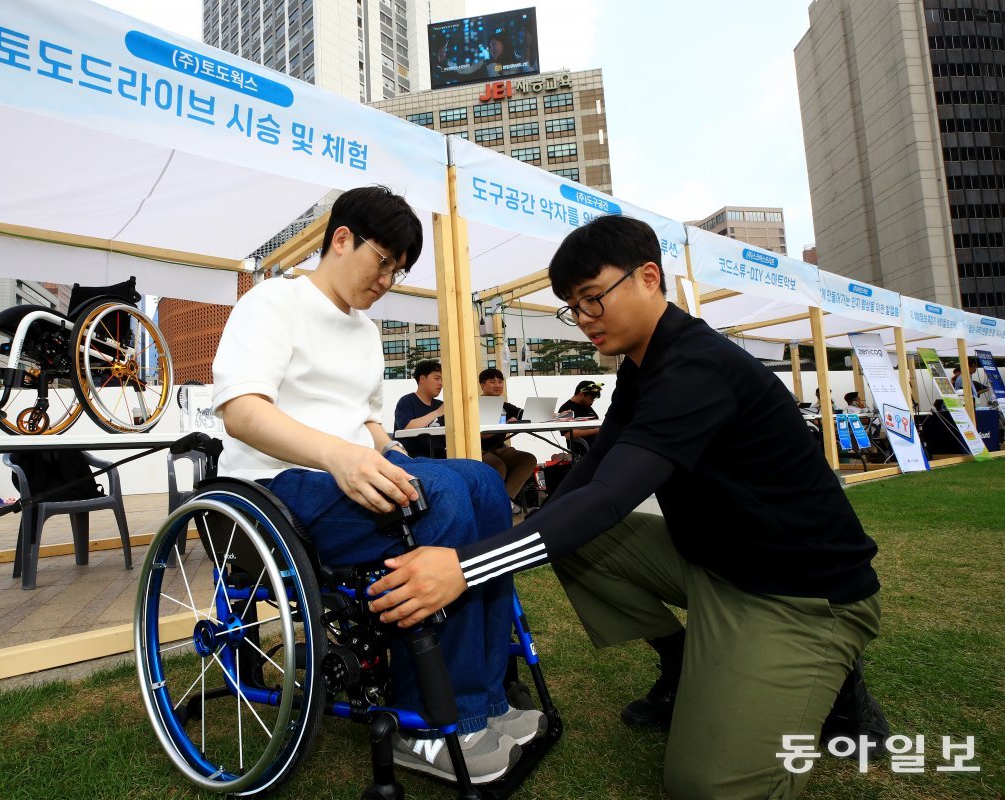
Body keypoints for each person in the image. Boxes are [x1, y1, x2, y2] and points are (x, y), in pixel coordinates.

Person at [367, 215, 885, 800]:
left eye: (593, 299)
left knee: (707, 787)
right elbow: (588, 477)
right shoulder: (643, 368)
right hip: (712, 563)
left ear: (648, 277)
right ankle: (684, 664)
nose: (585, 320)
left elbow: (610, 498)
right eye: (572, 307)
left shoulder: (696, 368)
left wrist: (463, 570)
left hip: (800, 595)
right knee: (570, 535)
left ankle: (836, 677)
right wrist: (488, 548)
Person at [211, 185, 542, 785]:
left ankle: (483, 700)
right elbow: (241, 411)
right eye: (383, 261)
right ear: (342, 239)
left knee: (485, 485)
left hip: (348, 470)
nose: (388, 278)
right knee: (436, 502)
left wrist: (384, 448)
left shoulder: (364, 331)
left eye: (399, 269)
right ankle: (428, 725)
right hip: (275, 486)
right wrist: (340, 456)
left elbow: (364, 416)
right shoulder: (272, 303)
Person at [478, 368, 537, 513]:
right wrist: (504, 425)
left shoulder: (505, 405)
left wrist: (556, 415)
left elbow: (526, 415)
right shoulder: (475, 405)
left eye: (500, 381)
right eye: (492, 382)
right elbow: (477, 434)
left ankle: (505, 500)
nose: (497, 385)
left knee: (528, 459)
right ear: (482, 385)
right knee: (498, 466)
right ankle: (492, 506)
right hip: (479, 449)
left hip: (500, 448)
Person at [394, 360, 446, 458]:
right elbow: (407, 427)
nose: (441, 383)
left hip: (441, 457)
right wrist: (437, 413)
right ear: (422, 379)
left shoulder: (440, 404)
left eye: (442, 380)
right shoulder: (406, 402)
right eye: (437, 378)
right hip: (412, 458)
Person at [558, 380, 602, 450]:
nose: (592, 402)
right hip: (584, 447)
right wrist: (596, 431)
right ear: (581, 394)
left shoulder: (587, 406)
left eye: (593, 399)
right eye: (591, 398)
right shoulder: (566, 408)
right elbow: (568, 434)